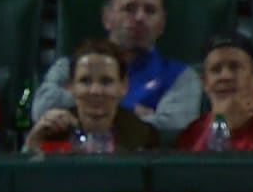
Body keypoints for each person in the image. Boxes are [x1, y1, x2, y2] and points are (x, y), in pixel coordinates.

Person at [32, 0, 200, 135]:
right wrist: (134, 113)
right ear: (107, 18)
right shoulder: (68, 67)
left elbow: (171, 130)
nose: (140, 17)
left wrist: (84, 103)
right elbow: (42, 109)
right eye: (129, 9)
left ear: (162, 23)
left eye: (150, 11)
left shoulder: (182, 76)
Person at [24, 39, 159, 153]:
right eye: (85, 81)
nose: (95, 91)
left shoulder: (143, 135)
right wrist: (32, 142)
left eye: (106, 81)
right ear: (71, 86)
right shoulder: (51, 133)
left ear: (123, 86)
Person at [176, 31, 253, 151]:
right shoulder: (193, 132)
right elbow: (198, 169)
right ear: (204, 83)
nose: (225, 76)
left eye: (235, 67)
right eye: (216, 70)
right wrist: (220, 127)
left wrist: (234, 132)